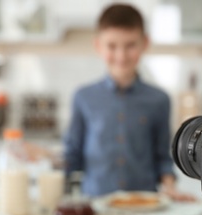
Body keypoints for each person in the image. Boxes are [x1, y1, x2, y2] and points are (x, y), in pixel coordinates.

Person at [64, 3, 194, 201]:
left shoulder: (159, 100)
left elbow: (162, 158)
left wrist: (170, 187)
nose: (121, 56)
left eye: (130, 45)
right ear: (98, 45)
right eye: (112, 46)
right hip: (95, 205)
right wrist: (47, 165)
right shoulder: (83, 97)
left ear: (145, 43)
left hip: (144, 205)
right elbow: (72, 156)